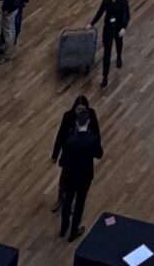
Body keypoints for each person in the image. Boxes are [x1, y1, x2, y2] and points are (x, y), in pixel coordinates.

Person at [52, 95, 104, 241]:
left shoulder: (70, 141)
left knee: (68, 201)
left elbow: (64, 158)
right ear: (87, 122)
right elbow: (99, 154)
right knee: (80, 203)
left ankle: (63, 228)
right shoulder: (91, 139)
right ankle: (73, 231)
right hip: (84, 175)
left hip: (69, 174)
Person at [91, 0, 131, 88]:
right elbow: (100, 12)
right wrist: (91, 23)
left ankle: (118, 57)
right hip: (108, 29)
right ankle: (105, 77)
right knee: (107, 54)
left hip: (118, 28)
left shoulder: (123, 1)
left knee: (119, 44)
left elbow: (127, 15)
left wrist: (123, 27)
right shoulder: (106, 1)